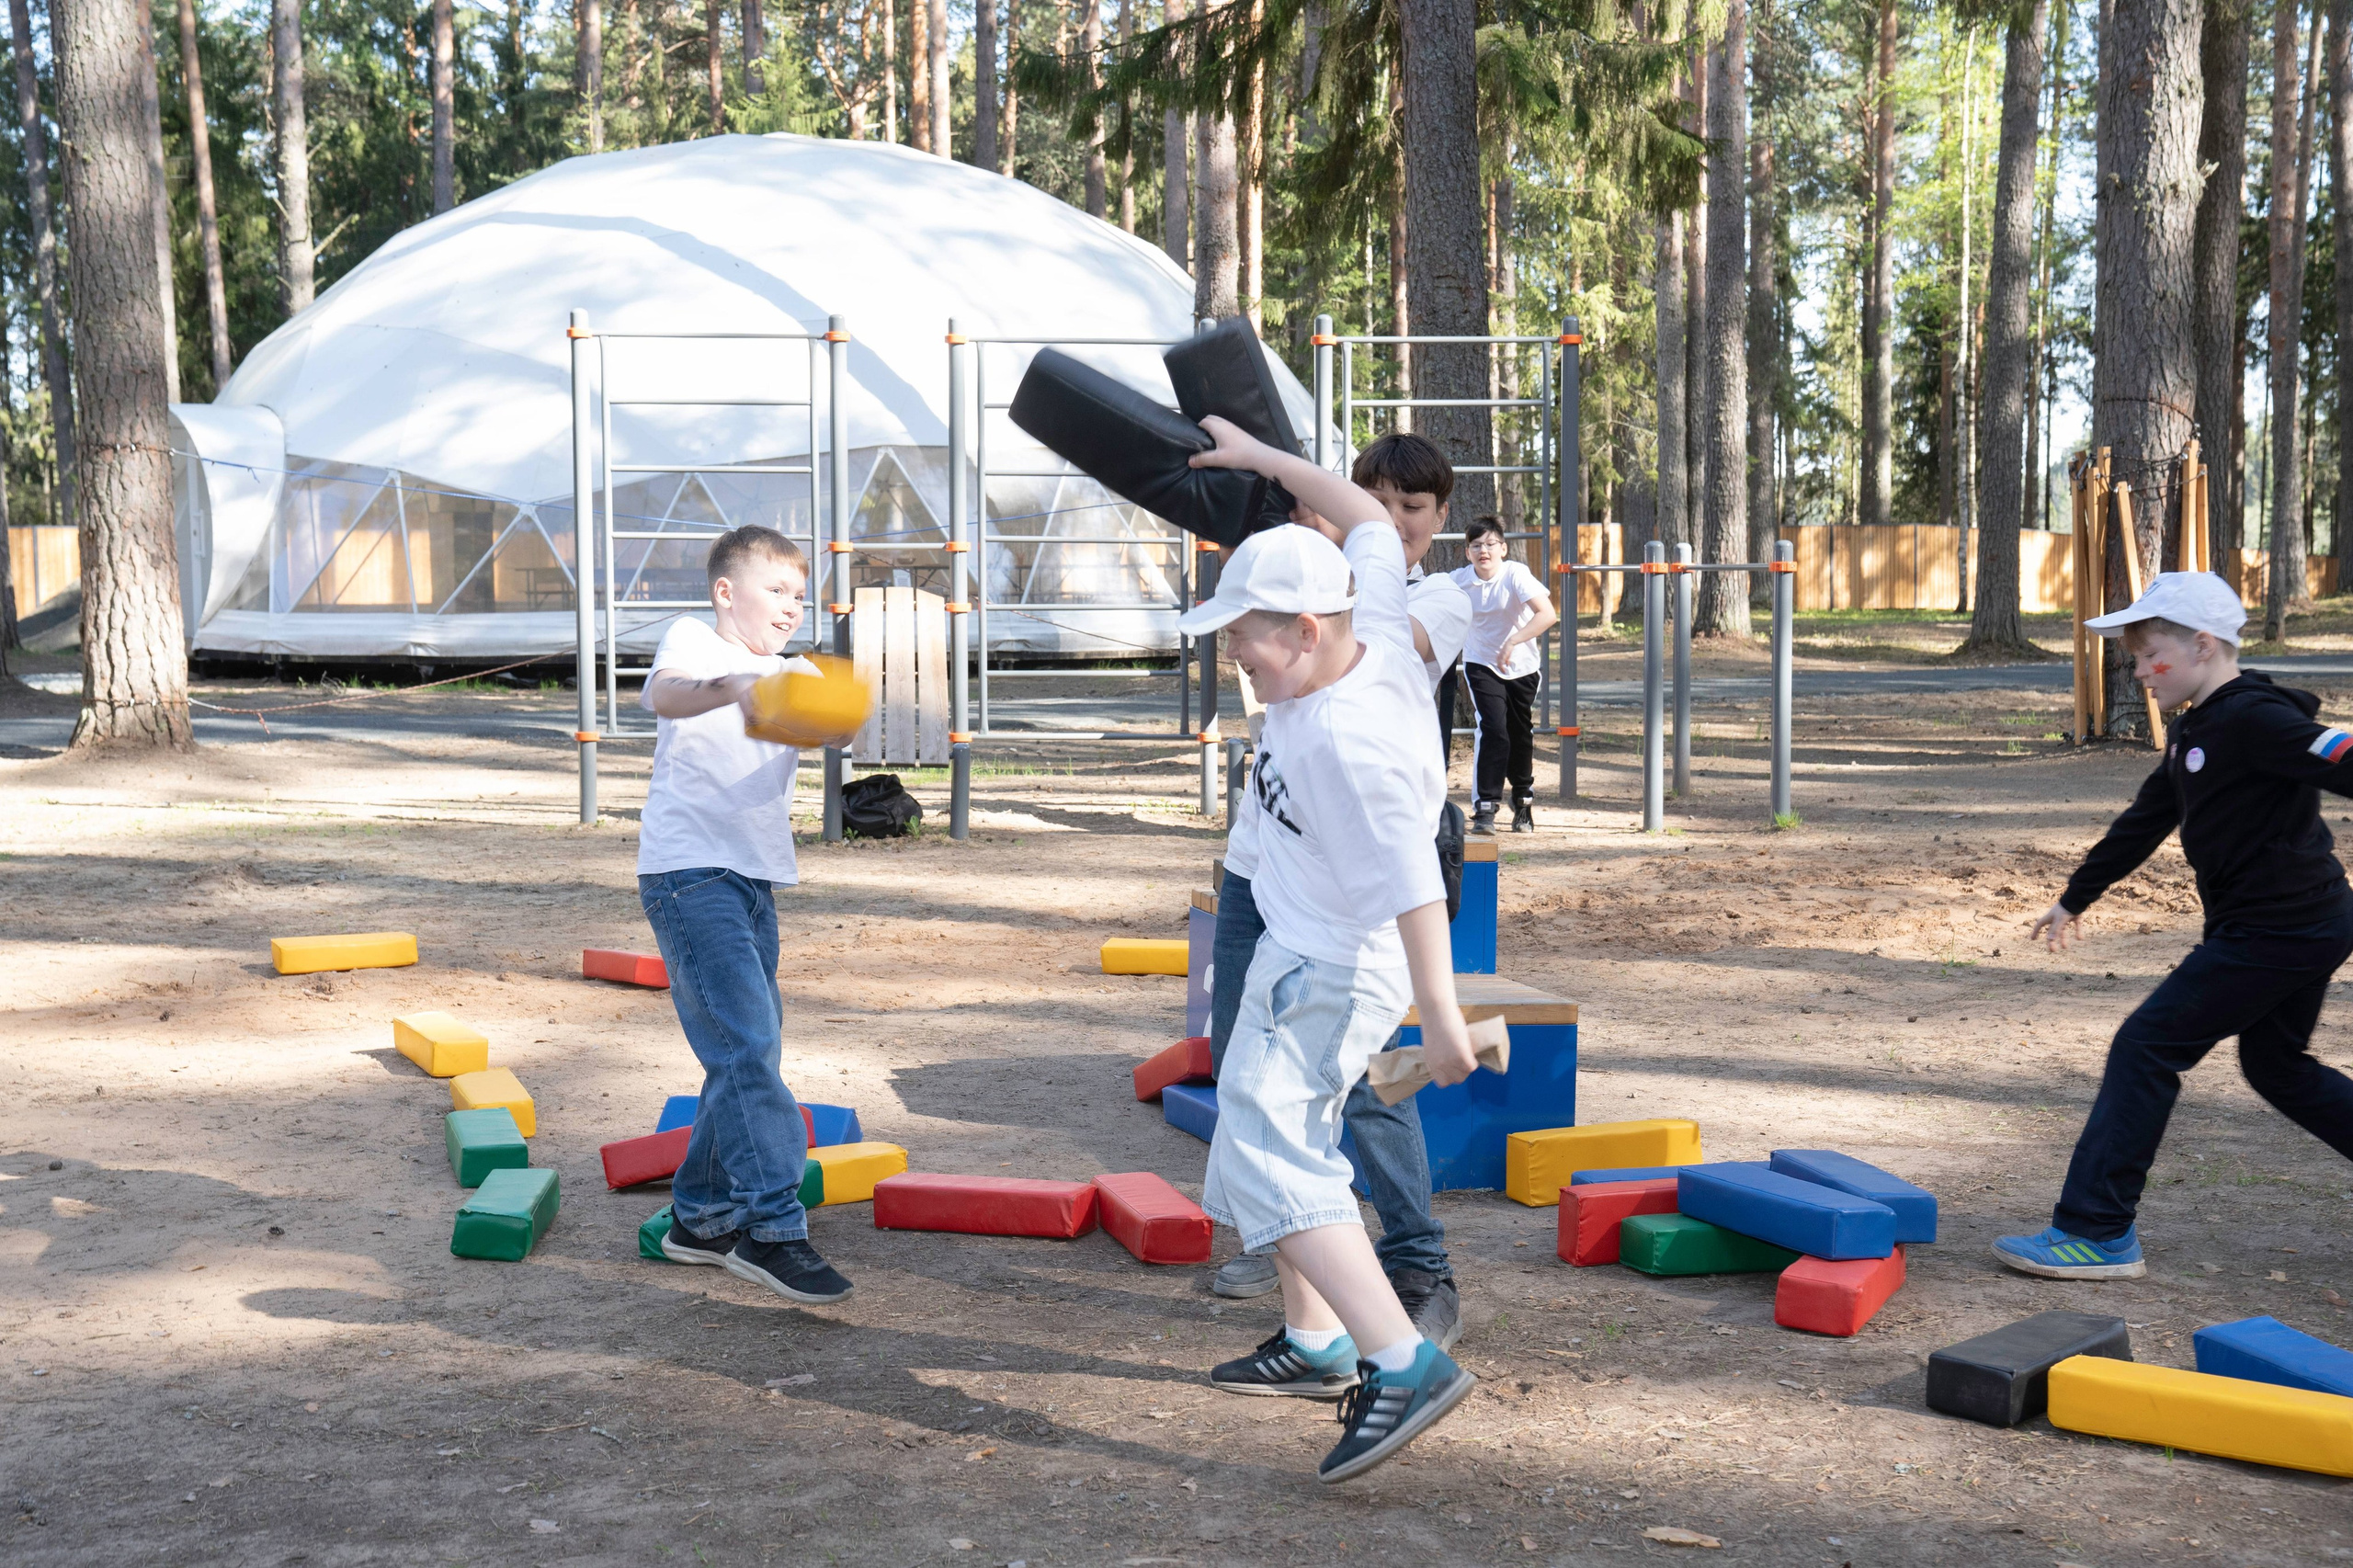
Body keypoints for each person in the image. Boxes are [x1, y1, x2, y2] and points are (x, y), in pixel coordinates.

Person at [1178, 415, 1479, 1483]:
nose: (1233, 655)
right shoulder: (1373, 616)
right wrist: (1263, 461)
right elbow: (1360, 516)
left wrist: (1440, 1018)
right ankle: (1317, 1341)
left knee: (1266, 1148)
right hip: (1299, 944)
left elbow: (1412, 880)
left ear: (1305, 629)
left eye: (1245, 638)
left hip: (1334, 966)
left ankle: (1402, 1360)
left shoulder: (1352, 741)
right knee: (1269, 1138)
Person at [1999, 571, 2353, 1280]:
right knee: (2275, 1067)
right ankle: (2097, 1227)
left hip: (2280, 928)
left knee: (2146, 1046)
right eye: (2132, 658)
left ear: (2201, 645)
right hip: (2300, 922)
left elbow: (2336, 755)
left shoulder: (2254, 718)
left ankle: (2096, 1231)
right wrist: (2076, 897)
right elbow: (2146, 819)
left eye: (2146, 654)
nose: (2137, 672)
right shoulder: (2195, 727)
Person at [635, 525, 854, 1305]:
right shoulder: (696, 640)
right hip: (688, 871)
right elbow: (661, 695)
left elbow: (837, 729)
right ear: (728, 591)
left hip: (755, 876)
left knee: (741, 1048)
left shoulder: (789, 671)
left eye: (801, 595)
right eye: (778, 591)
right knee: (749, 1043)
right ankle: (771, 1230)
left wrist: (832, 707)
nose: (793, 608)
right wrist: (731, 688)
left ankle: (698, 1219)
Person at [1450, 516, 1559, 834]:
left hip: (1522, 666)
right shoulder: (1459, 580)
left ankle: (1523, 801)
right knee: (1494, 729)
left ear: (1503, 548)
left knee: (1519, 734)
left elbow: (1548, 614)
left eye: (1490, 544)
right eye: (1476, 545)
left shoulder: (1515, 574)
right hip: (1482, 663)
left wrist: (1514, 640)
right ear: (1467, 552)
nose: (1483, 550)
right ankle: (1485, 806)